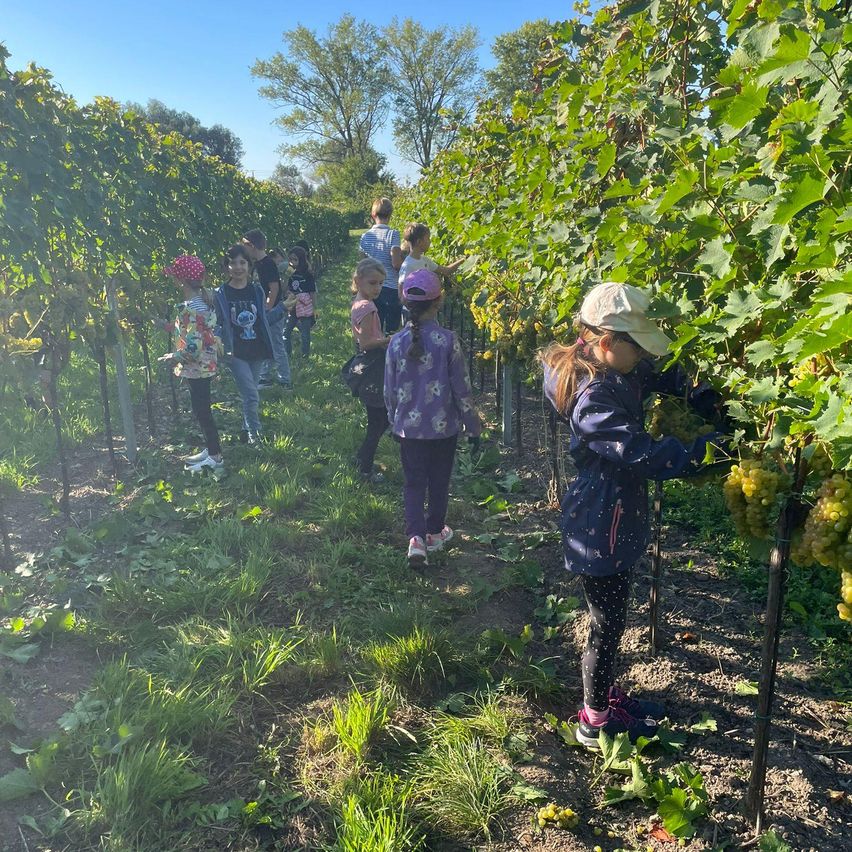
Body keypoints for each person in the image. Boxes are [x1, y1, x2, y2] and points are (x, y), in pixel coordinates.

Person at [540, 281, 726, 749]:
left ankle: (602, 698)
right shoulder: (594, 400)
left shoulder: (609, 368)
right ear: (606, 343)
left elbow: (655, 375)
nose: (645, 357)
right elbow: (642, 453)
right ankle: (594, 721)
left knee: (612, 618)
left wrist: (697, 389)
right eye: (638, 349)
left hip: (611, 512)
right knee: (606, 625)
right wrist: (709, 453)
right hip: (600, 523)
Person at [384, 268, 481, 567]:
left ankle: (416, 540)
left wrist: (394, 420)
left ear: (404, 300)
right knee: (439, 481)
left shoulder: (396, 342)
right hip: (443, 429)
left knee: (414, 483)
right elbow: (461, 387)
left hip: (408, 430)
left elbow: (389, 389)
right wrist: (473, 426)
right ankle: (436, 531)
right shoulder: (448, 341)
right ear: (439, 302)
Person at [213, 244, 285, 445]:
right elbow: (218, 321)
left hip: (257, 349)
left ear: (249, 266)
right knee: (252, 395)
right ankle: (255, 435)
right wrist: (217, 338)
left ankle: (246, 429)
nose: (238, 267)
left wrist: (282, 309)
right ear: (226, 266)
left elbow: (263, 319)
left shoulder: (256, 291)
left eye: (242, 262)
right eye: (233, 263)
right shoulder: (221, 293)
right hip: (236, 352)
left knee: (250, 392)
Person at [159, 256, 224, 473]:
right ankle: (211, 449)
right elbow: (195, 332)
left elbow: (193, 345)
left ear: (181, 280)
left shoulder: (190, 308)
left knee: (202, 410)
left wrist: (174, 356)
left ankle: (215, 458)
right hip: (204, 364)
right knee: (202, 409)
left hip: (197, 366)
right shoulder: (202, 303)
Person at [350, 258, 391, 483]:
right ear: (358, 281)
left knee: (378, 418)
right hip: (374, 365)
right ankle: (365, 468)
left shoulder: (358, 302)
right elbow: (366, 343)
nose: (377, 288)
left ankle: (362, 458)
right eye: (372, 283)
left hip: (367, 364)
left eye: (381, 284)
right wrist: (389, 340)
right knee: (379, 420)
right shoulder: (368, 307)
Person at [242, 229, 292, 390]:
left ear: (251, 245)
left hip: (273, 311)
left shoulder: (268, 263)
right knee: (266, 342)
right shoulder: (258, 264)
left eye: (245, 245)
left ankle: (285, 379)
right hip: (264, 311)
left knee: (277, 344)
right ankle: (265, 377)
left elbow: (274, 288)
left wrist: (268, 308)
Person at [359, 198, 403, 333]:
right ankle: (390, 351)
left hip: (371, 286)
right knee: (392, 329)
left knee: (375, 326)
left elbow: (361, 264)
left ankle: (377, 351)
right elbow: (396, 263)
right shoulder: (393, 234)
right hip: (390, 287)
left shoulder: (365, 236)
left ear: (373, 215)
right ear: (390, 215)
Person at [396, 222, 463, 298]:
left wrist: (463, 260)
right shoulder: (408, 265)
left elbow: (446, 271)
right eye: (427, 238)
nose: (430, 241)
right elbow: (401, 292)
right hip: (413, 307)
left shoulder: (425, 260)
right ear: (419, 242)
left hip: (425, 305)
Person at [283, 246, 317, 360]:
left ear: (301, 260)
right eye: (290, 260)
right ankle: (287, 355)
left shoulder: (307, 275)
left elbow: (312, 292)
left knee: (305, 334)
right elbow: (285, 289)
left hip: (304, 308)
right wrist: (286, 279)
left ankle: (305, 357)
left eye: (295, 260)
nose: (292, 262)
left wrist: (314, 308)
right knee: (286, 332)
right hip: (293, 307)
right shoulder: (290, 273)